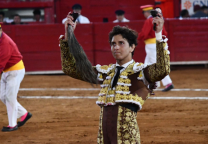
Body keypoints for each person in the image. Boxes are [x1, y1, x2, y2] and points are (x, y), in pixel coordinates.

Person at [59, 9, 170, 143]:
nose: (116, 47)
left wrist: (158, 34)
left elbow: (162, 69)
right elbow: (70, 68)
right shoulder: (106, 73)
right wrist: (67, 37)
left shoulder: (140, 72)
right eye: (113, 44)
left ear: (132, 47)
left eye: (121, 43)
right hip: (104, 137)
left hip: (127, 138)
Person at [0, 24, 32, 132]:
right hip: (6, 71)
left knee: (10, 97)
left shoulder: (5, 42)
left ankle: (12, 125)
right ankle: (24, 113)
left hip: (15, 71)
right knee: (3, 96)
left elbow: (0, 64)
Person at [138, 5, 174, 91]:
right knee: (147, 64)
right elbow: (164, 32)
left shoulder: (149, 20)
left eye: (144, 13)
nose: (144, 14)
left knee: (157, 64)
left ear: (147, 12)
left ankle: (168, 83)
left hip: (151, 45)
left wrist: (138, 38)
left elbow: (145, 33)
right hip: (157, 42)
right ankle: (153, 84)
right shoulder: (159, 19)